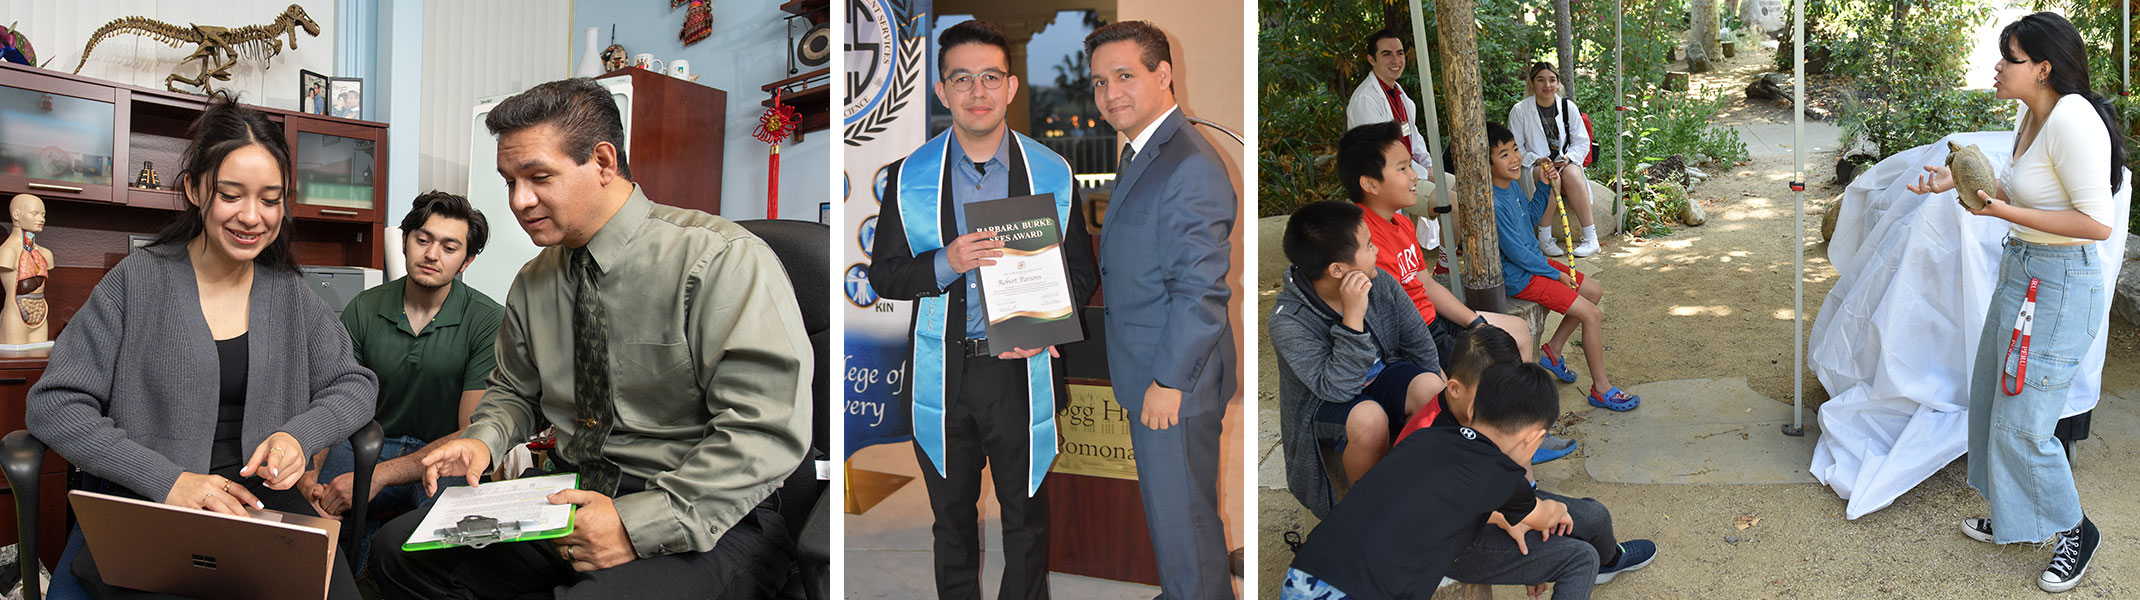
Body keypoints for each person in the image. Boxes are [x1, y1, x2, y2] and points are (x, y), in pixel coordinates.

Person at [370, 77, 813, 598]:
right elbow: (515, 393)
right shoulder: (533, 282)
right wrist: (482, 441)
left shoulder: (718, 260)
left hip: (707, 512)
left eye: (538, 177)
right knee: (398, 550)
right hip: (570, 498)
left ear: (603, 162)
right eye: (509, 181)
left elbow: (763, 431)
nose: (519, 200)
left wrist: (635, 525)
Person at [25, 95, 377, 598]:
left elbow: (355, 385)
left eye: (270, 198)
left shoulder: (289, 292)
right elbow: (54, 405)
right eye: (231, 194)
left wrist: (299, 436)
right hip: (152, 500)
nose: (252, 217)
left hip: (262, 508)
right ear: (194, 188)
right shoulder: (137, 280)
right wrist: (169, 481)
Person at [866, 19, 1099, 600]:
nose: (978, 91)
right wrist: (945, 260)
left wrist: (1047, 325)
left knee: (1025, 518)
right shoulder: (908, 178)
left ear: (1011, 87)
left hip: (1019, 365)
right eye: (962, 78)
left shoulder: (1051, 172)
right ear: (941, 91)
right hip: (942, 369)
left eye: (990, 77)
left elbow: (1080, 271)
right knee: (951, 519)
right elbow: (886, 275)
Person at [1904, 12, 2125, 592]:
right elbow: (2017, 194)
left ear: (2043, 68)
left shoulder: (2073, 118)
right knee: (1992, 401)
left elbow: (2094, 224)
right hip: (2022, 272)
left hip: (2059, 284)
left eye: (2010, 57)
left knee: (2024, 423)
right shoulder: (2034, 115)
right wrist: (1956, 184)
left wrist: (2002, 213)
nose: (1997, 67)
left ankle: (2077, 530)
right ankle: (2018, 515)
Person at [1086, 20, 1237, 599]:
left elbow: (1199, 291)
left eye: (1125, 75)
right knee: (1176, 517)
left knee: (1185, 525)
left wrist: (1168, 381)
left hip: (1173, 381)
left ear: (1163, 74)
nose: (1110, 94)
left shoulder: (1187, 161)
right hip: (1153, 367)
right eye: (1099, 82)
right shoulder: (1145, 151)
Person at [1337, 122, 1577, 465]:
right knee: (1483, 370)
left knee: (1517, 330)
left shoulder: (1402, 223)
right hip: (1410, 341)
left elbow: (1427, 285)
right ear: (1370, 183)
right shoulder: (1360, 239)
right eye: (1403, 169)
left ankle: (1524, 428)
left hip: (1434, 323)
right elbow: (1386, 317)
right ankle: (1505, 445)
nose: (1414, 178)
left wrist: (1475, 321)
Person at [297, 191, 501, 568]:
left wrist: (379, 476)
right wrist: (308, 477)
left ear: (466, 260)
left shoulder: (487, 319)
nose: (431, 254)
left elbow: (470, 431)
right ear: (405, 241)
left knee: (449, 537)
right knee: (315, 515)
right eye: (422, 239)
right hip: (367, 441)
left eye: (449, 246)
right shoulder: (365, 307)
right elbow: (332, 401)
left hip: (442, 455)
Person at [1399, 327, 1658, 598]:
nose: (1501, 404)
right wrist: (1509, 523)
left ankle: (1610, 562)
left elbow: (1506, 482)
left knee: (1595, 516)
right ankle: (1594, 563)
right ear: (1455, 388)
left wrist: (1525, 522)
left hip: (1488, 509)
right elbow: (1431, 508)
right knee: (1580, 558)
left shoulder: (1485, 418)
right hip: (1448, 542)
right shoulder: (1432, 435)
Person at [1282, 363, 1572, 600]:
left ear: (1474, 409)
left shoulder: (1427, 437)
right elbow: (1543, 516)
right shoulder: (1503, 476)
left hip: (1305, 572)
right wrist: (1559, 509)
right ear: (1533, 437)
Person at [1270, 200, 1447, 518]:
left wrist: (1445, 407)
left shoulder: (1381, 283)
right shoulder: (1289, 320)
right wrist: (1352, 319)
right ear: (1336, 270)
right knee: (1369, 419)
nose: (1376, 249)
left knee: (1431, 386)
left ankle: (1420, 485)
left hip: (1379, 374)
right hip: (1324, 401)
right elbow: (1336, 388)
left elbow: (1422, 348)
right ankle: (1372, 511)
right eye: (1368, 245)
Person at [1487, 122, 1641, 412]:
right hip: (1520, 276)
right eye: (1504, 154)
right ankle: (1601, 388)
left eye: (1515, 150)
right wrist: (1555, 274)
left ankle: (1553, 350)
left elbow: (1532, 219)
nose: (1515, 158)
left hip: (1534, 266)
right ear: (1488, 162)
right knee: (1592, 315)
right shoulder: (1494, 201)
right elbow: (1517, 253)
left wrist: (1545, 187)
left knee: (1593, 292)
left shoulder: (1511, 188)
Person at [1344, 29, 1443, 261]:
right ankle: (1445, 267)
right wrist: (1422, 173)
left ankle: (1448, 256)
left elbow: (1414, 138)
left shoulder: (1399, 94)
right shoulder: (1366, 99)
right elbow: (1381, 155)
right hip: (1386, 180)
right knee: (1452, 203)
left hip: (1410, 170)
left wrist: (1431, 169)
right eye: (1387, 54)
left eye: (1400, 53)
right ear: (1371, 59)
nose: (1396, 60)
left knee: (1462, 188)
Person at [1508, 62, 1599, 258]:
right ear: (1531, 83)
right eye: (1540, 80)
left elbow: (1582, 142)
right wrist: (1538, 160)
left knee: (1574, 174)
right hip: (1533, 166)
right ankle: (1545, 237)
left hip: (1564, 163)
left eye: (1551, 80)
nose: (1547, 85)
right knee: (1549, 177)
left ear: (1558, 83)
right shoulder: (1520, 110)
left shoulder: (1568, 107)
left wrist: (1569, 158)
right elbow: (1515, 149)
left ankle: (1591, 238)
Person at [0, 192, 53, 345]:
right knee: (16, 364)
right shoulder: (7, 252)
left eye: (43, 214)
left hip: (41, 310)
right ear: (16, 214)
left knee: (39, 361)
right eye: (35, 213)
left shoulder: (45, 254)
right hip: (16, 312)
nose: (41, 219)